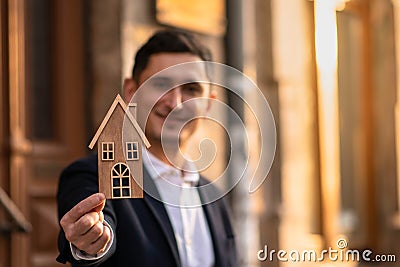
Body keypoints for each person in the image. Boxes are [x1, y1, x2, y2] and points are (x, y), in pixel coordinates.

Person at [56, 29, 237, 267]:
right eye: (161, 84)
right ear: (131, 91)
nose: (175, 103)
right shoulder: (94, 175)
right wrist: (91, 241)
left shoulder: (214, 196)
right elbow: (97, 230)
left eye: (191, 89)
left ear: (208, 103)